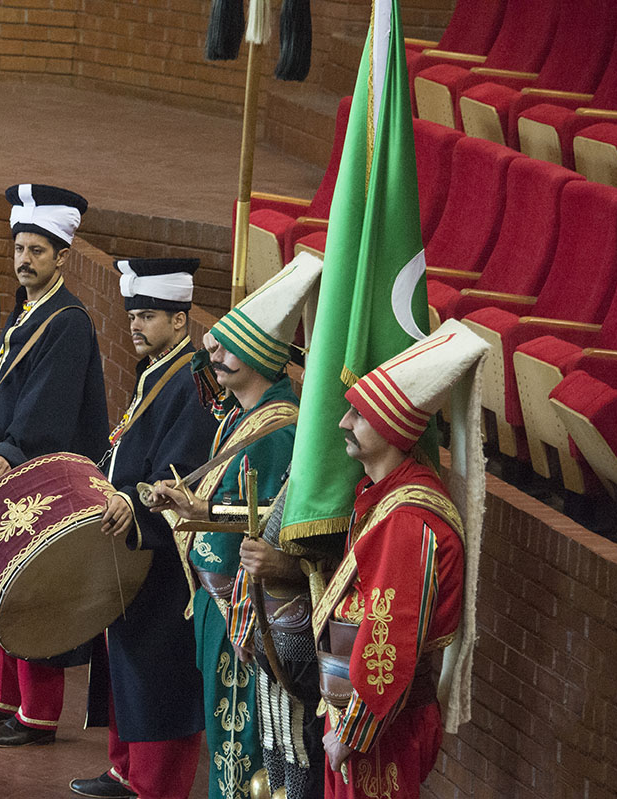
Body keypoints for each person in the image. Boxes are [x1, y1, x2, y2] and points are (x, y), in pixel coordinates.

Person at [0, 183, 110, 748]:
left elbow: (50, 409)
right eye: (19, 249)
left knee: (33, 596)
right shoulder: (28, 311)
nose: (24, 260)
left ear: (62, 257)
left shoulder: (68, 320)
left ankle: (37, 714)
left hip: (37, 478)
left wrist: (9, 451)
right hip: (4, 468)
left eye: (37, 251)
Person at [149, 254, 322, 799]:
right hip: (216, 610)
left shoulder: (277, 430)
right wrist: (192, 508)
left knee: (248, 749)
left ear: (259, 356)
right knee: (226, 741)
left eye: (227, 348)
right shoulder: (237, 415)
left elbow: (265, 526)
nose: (213, 355)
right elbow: (229, 508)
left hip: (247, 618)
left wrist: (204, 532)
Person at [318, 319, 487, 799]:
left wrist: (350, 733)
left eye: (358, 415)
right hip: (367, 717)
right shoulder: (384, 496)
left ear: (392, 430)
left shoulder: (408, 520)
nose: (342, 423)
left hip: (378, 725)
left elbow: (389, 638)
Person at [72, 259, 215, 799]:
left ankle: (157, 787)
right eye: (133, 314)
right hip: (131, 547)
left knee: (159, 675)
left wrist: (132, 499)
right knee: (126, 659)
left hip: (166, 556)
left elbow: (184, 468)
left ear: (181, 321)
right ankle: (126, 770)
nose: (135, 324)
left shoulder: (195, 381)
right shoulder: (160, 369)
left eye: (149, 315)